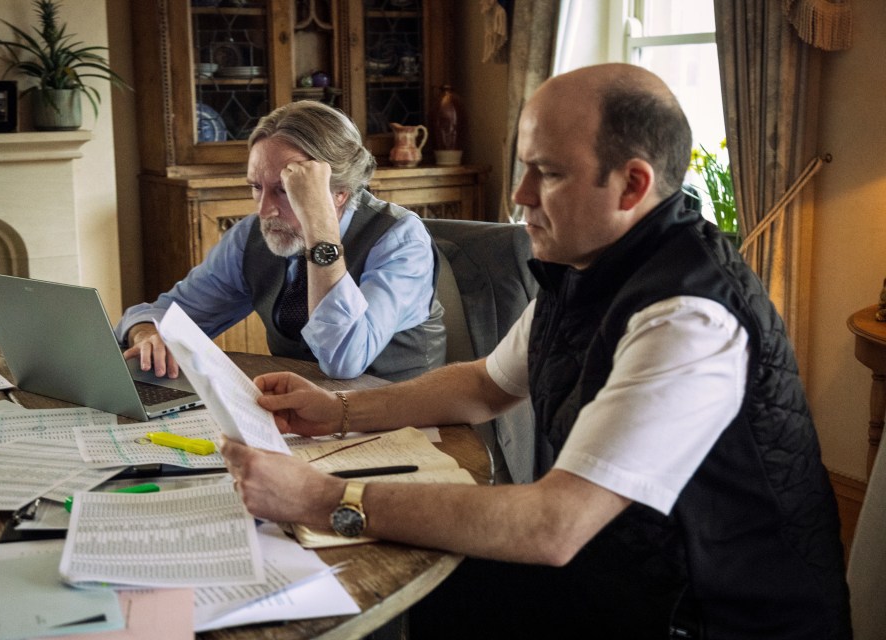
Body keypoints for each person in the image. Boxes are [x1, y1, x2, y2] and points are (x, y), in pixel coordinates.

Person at [221, 64, 851, 638]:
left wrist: (320, 500)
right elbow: (482, 386)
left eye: (546, 173)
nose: (519, 195)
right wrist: (339, 412)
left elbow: (552, 526)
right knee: (430, 603)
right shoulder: (591, 265)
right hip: (633, 571)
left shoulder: (687, 318)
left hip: (716, 616)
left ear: (632, 185)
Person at [115, 100, 445, 382]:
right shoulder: (250, 236)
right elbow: (162, 313)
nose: (264, 210)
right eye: (257, 187)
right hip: (304, 421)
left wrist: (320, 229)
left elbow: (344, 359)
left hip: (406, 427)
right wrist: (148, 333)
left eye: (284, 191)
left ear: (339, 193)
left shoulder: (401, 240)